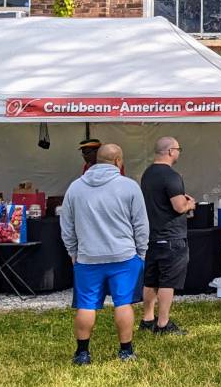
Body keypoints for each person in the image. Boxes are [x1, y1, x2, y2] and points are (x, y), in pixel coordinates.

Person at [60, 143, 149, 365]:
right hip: (123, 256)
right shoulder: (129, 187)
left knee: (86, 305)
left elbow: (67, 226)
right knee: (123, 303)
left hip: (88, 257)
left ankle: (82, 353)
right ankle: (126, 351)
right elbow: (141, 224)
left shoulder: (75, 187)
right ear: (118, 161)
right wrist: (141, 252)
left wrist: (73, 251)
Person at [140, 137, 195, 335]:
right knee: (167, 281)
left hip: (152, 235)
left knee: (151, 280)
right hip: (171, 237)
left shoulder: (147, 174)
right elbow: (179, 206)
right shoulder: (171, 176)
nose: (179, 152)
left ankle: (147, 319)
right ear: (171, 151)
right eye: (178, 149)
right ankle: (163, 324)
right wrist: (190, 204)